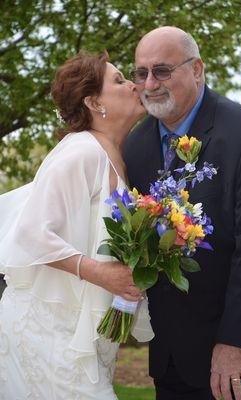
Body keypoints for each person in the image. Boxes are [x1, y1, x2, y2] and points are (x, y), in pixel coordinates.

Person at [0, 51, 153, 399]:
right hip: (49, 332)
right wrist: (102, 274)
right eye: (118, 80)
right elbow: (30, 234)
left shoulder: (120, 160)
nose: (133, 84)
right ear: (93, 101)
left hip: (84, 333)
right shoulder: (81, 152)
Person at [124, 26, 241, 400]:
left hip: (236, 362)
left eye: (162, 70)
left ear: (197, 69)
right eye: (141, 73)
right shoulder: (133, 146)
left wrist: (235, 342)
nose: (150, 83)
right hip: (167, 360)